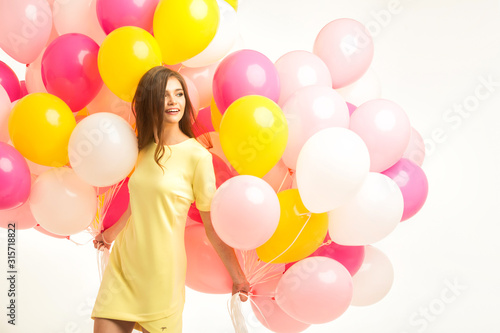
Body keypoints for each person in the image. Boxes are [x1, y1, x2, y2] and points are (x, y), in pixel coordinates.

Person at [91, 66, 250, 333]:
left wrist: (238, 277)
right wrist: (110, 235)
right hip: (124, 266)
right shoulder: (140, 147)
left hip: (162, 275)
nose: (174, 101)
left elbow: (212, 227)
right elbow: (137, 202)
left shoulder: (197, 157)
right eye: (165, 95)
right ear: (152, 100)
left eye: (179, 94)